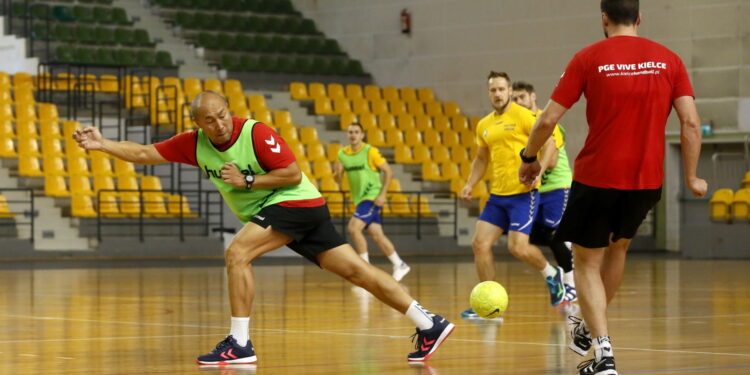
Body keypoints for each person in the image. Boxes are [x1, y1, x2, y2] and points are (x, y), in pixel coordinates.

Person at [73, 91, 454, 364]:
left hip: (295, 201)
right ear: (197, 124)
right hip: (296, 212)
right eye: (210, 119)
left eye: (223, 114)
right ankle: (428, 323)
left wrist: (248, 182)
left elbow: (292, 172)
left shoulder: (254, 132)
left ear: (229, 111)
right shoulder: (193, 144)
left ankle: (240, 344)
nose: (219, 123)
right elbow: (144, 153)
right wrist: (102, 144)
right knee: (358, 271)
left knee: (237, 252)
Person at [518, 1, 707, 374]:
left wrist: (529, 157)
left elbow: (548, 119)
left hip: (597, 177)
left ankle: (603, 356)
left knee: (587, 263)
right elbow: (690, 124)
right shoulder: (669, 60)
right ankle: (589, 330)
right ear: (639, 17)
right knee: (618, 249)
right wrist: (691, 177)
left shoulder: (588, 58)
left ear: (604, 18)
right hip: (647, 180)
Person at [460, 71, 567, 319]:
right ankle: (488, 303)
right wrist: (470, 183)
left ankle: (552, 275)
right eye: (493, 90)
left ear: (509, 91)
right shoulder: (484, 124)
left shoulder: (524, 116)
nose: (497, 94)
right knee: (480, 244)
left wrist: (539, 171)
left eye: (501, 89)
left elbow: (550, 142)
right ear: (489, 93)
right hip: (498, 196)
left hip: (523, 193)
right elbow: (481, 158)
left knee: (517, 247)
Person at [512, 81, 576, 303]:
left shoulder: (547, 122)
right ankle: (570, 248)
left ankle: (570, 283)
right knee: (526, 235)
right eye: (515, 99)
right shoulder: (518, 124)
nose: (518, 102)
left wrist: (533, 167)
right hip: (534, 188)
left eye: (521, 97)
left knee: (553, 234)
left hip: (556, 185)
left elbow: (553, 160)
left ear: (533, 97)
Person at [333, 123, 411, 281]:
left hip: (372, 196)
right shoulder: (342, 154)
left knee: (353, 228)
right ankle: (399, 264)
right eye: (350, 132)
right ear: (347, 135)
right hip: (359, 199)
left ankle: (365, 270)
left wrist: (382, 194)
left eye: (356, 132)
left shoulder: (370, 151)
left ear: (362, 135)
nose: (353, 135)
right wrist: (337, 174)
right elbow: (338, 179)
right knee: (377, 235)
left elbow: (388, 171)